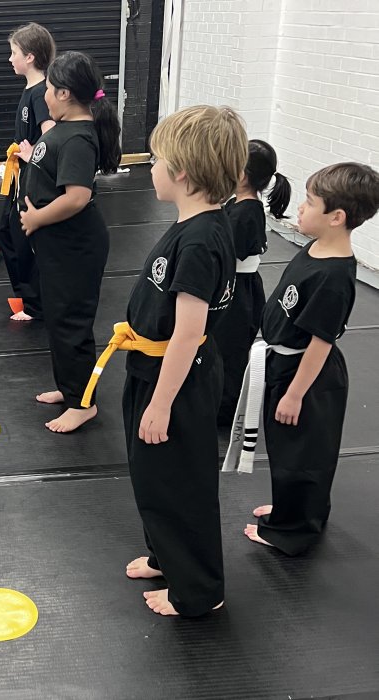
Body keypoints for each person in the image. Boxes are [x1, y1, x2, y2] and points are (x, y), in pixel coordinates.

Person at [81, 106, 247, 616]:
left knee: (179, 484)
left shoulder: (200, 240)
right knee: (153, 476)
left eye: (156, 158)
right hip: (153, 371)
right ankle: (165, 554)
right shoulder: (193, 224)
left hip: (176, 380)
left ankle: (198, 590)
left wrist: (160, 404)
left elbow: (188, 333)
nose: (149, 166)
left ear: (182, 172)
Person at [231, 163, 379, 555]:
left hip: (307, 376)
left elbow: (321, 342)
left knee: (303, 456)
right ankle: (289, 509)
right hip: (283, 366)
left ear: (336, 217)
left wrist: (296, 393)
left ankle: (293, 530)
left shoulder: (334, 277)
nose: (300, 208)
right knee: (285, 448)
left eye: (310, 203)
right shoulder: (314, 248)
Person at [19, 51, 121, 434]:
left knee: (71, 323)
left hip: (75, 246)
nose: (43, 94)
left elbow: (76, 197)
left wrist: (36, 218)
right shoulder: (64, 129)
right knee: (58, 319)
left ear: (64, 94)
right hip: (58, 245)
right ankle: (70, 387)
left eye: (47, 89)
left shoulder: (79, 137)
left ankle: (83, 403)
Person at [212, 140, 291, 425]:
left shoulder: (247, 212)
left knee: (229, 351)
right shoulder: (237, 202)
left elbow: (226, 252)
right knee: (219, 347)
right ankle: (218, 400)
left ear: (242, 175)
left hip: (237, 293)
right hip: (233, 287)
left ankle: (225, 408)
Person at [0, 23, 57, 321]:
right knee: (6, 233)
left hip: (34, 179)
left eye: (14, 53)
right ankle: (25, 293)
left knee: (23, 239)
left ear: (30, 57)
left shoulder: (40, 93)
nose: (10, 59)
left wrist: (33, 155)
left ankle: (36, 304)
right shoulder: (30, 90)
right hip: (21, 175)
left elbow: (50, 132)